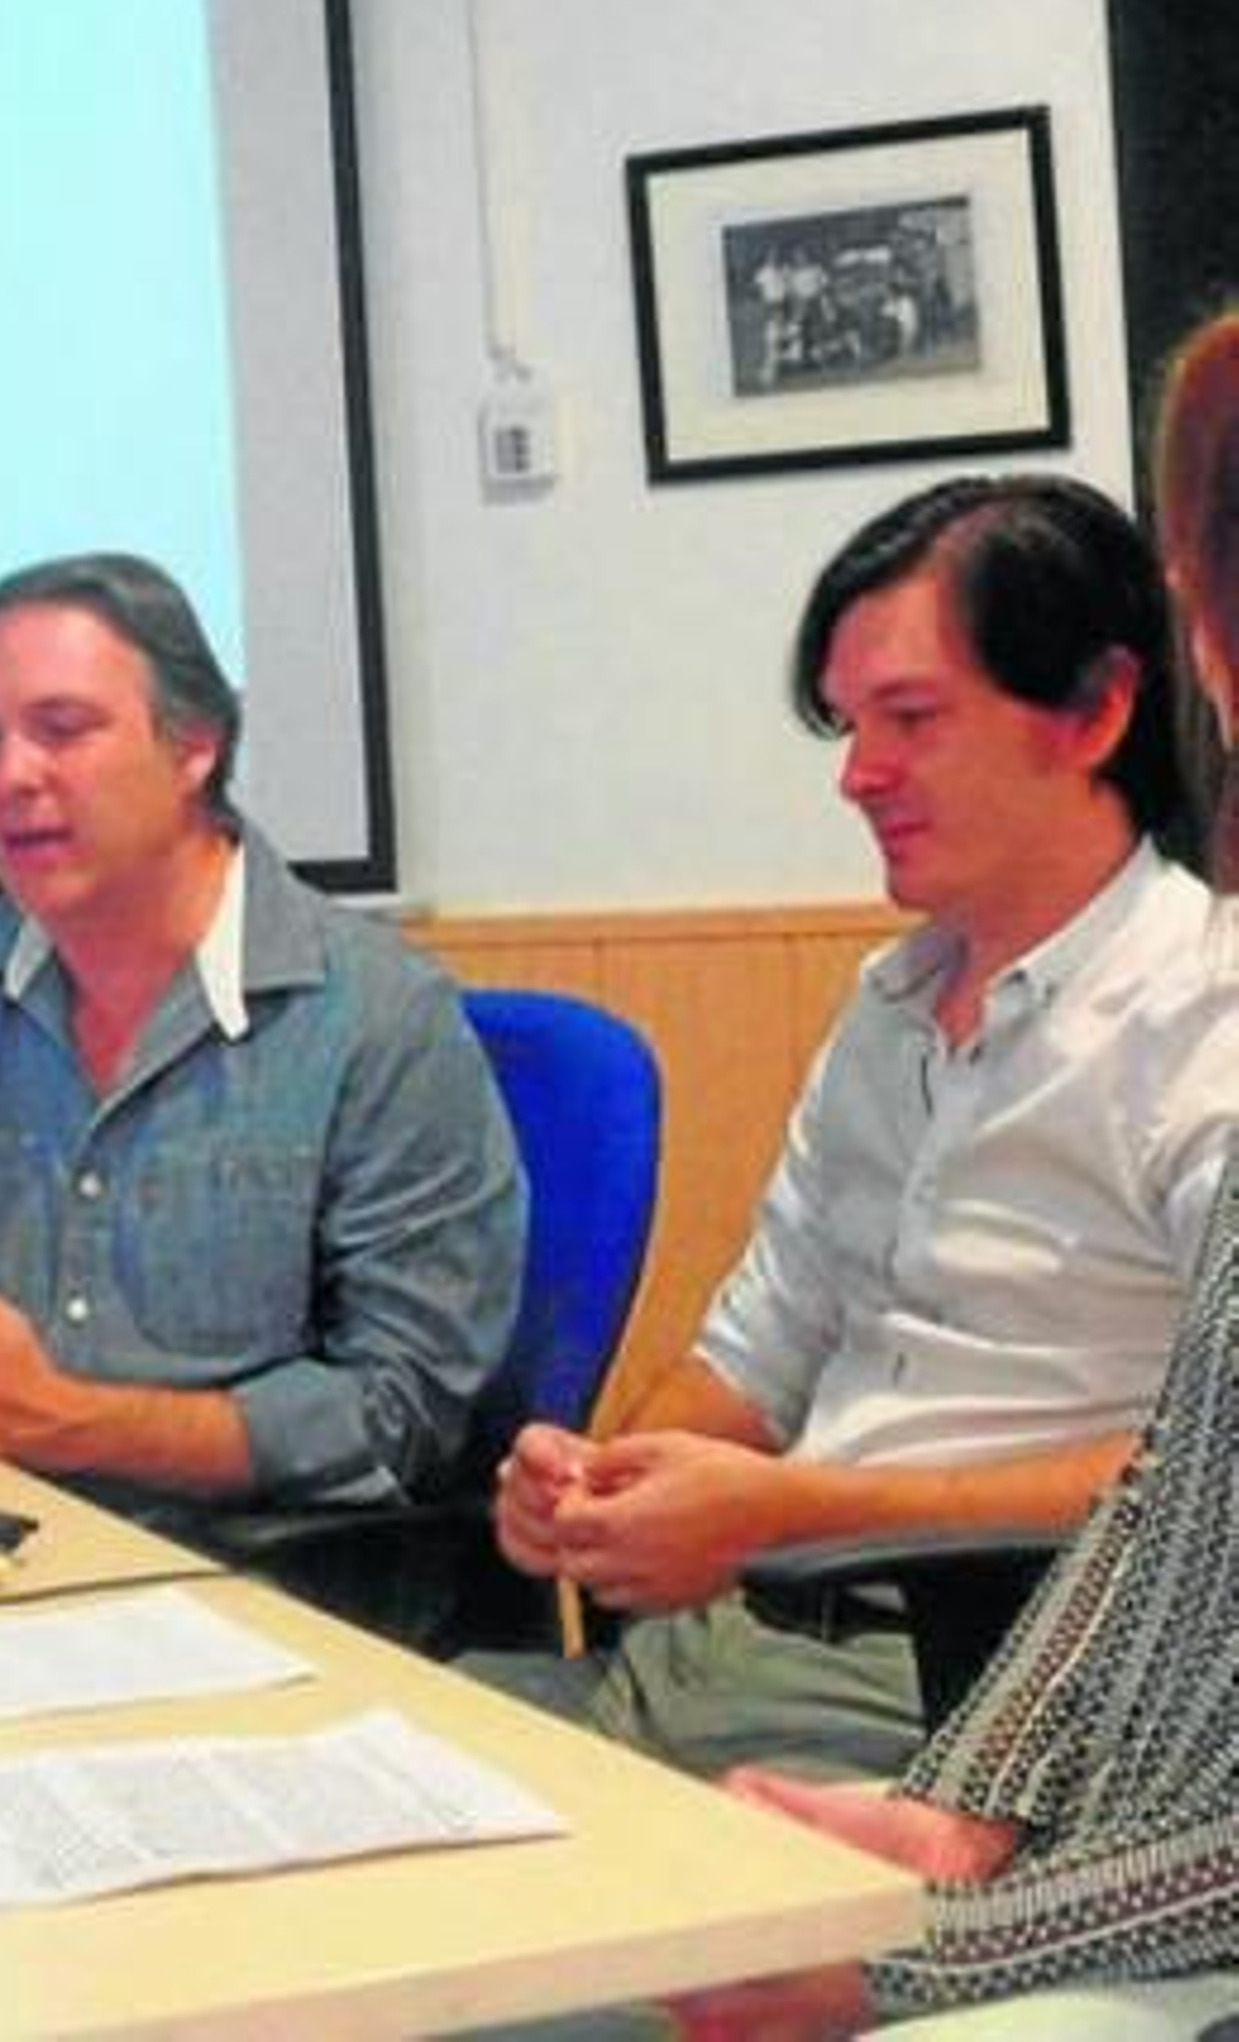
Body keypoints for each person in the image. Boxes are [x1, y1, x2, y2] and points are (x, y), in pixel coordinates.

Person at [485, 472, 1239, 1788]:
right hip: (722, 1648)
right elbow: (753, 1356)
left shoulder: (1203, 1020)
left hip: (970, 1696)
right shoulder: (887, 1011)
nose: (858, 775)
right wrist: (602, 1481)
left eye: (912, 719)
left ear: (1097, 710)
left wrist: (796, 1510)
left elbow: (1209, 1479)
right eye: (848, 724)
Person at [672, 315, 1239, 2035]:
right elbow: (1181, 1505)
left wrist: (923, 1949)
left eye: (911, 716)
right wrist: (965, 1813)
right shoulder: (889, 1011)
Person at [0, 553, 526, 1629]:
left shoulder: (377, 1015)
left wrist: (69, 1421)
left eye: (62, 729)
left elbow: (403, 1413)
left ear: (195, 745)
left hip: (258, 1595)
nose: (11, 776)